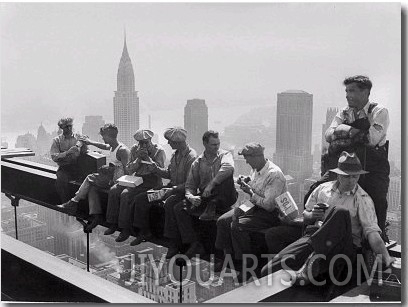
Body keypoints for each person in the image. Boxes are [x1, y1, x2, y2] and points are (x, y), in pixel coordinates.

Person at [260, 151, 395, 286]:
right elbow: (306, 215)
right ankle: (308, 265)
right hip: (314, 238)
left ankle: (309, 265)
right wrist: (312, 215)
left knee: (340, 213)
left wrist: (386, 257)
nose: (352, 180)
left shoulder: (362, 199)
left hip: (343, 246)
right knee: (268, 270)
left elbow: (372, 234)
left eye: (355, 176)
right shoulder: (323, 189)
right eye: (347, 177)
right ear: (338, 175)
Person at [323, 75, 390, 236]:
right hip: (346, 166)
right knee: (319, 190)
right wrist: (353, 133)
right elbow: (328, 135)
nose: (347, 95)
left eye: (351, 90)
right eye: (346, 91)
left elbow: (371, 139)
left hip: (373, 167)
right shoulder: (344, 113)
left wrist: (344, 131)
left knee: (377, 201)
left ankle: (375, 243)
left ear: (365, 92)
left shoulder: (378, 111)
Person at [215, 143, 287, 278]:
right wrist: (247, 183)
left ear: (257, 156)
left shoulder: (274, 174)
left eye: (248, 158)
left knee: (238, 225)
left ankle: (247, 265)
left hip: (270, 213)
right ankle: (227, 257)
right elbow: (254, 194)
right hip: (253, 205)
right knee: (223, 221)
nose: (246, 161)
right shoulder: (255, 170)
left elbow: (269, 205)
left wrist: (249, 191)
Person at [170, 130, 238, 259]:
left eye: (218, 144)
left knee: (225, 178)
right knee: (179, 208)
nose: (217, 147)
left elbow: (228, 168)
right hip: (207, 197)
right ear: (205, 144)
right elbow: (190, 185)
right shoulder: (198, 162)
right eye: (213, 144)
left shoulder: (225, 155)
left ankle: (212, 206)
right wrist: (191, 197)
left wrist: (211, 184)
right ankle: (194, 243)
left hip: (224, 196)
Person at [130, 127, 197, 248]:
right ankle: (144, 231)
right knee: (142, 198)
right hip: (171, 189)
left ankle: (174, 241)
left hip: (181, 192)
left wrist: (173, 190)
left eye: (170, 141)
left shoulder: (191, 157)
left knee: (170, 204)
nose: (168, 143)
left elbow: (189, 183)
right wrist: (155, 168)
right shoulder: (175, 154)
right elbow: (169, 173)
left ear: (177, 142)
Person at [57, 124, 130, 231]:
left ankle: (73, 202)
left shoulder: (122, 150)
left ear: (109, 136)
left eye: (104, 136)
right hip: (110, 178)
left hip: (116, 181)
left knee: (90, 178)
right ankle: (96, 217)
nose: (103, 138)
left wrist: (111, 169)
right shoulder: (113, 146)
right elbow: (104, 146)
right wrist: (90, 142)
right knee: (92, 188)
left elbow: (127, 171)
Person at [104, 129, 166, 242]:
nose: (143, 145)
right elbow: (128, 169)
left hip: (152, 181)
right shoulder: (134, 149)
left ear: (150, 140)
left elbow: (161, 171)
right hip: (136, 178)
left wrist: (147, 158)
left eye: (145, 142)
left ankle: (125, 228)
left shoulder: (159, 151)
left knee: (126, 195)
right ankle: (112, 222)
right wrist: (138, 159)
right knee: (114, 190)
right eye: (140, 143)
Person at [50, 117, 88, 203]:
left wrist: (80, 145)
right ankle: (66, 203)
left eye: (70, 126)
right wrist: (67, 153)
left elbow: (84, 140)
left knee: (87, 182)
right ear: (61, 128)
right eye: (66, 126)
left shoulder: (78, 137)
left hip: (78, 167)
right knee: (61, 182)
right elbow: (54, 156)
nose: (69, 128)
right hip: (65, 168)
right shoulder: (57, 140)